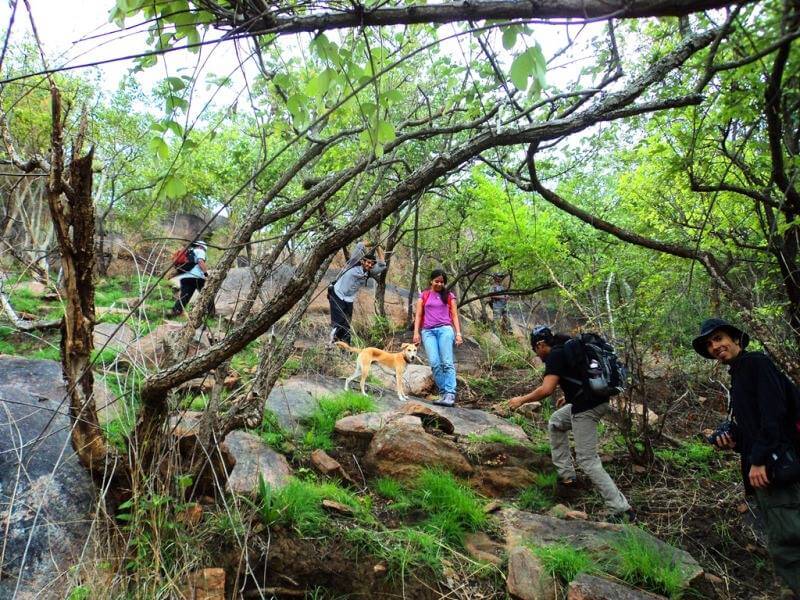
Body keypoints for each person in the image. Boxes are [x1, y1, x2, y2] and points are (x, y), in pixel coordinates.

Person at [692, 318, 800, 597]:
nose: (715, 346)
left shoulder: (756, 364)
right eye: (709, 344)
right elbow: (756, 426)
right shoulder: (739, 373)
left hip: (776, 469)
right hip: (771, 466)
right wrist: (733, 440)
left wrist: (759, 459)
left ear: (736, 339)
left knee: (788, 542)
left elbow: (774, 415)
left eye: (719, 338)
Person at [508, 325, 634, 521]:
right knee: (556, 422)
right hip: (592, 401)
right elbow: (580, 375)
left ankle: (621, 510)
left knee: (587, 460)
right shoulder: (566, 347)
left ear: (540, 344)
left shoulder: (555, 356)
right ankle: (567, 476)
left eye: (535, 350)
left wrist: (521, 400)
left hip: (586, 408)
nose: (537, 355)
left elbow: (546, 389)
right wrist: (569, 396)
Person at [413, 269, 463, 407]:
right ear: (431, 281)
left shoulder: (449, 296)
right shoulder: (424, 295)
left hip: (445, 330)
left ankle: (450, 393)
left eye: (442, 282)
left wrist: (458, 333)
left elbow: (454, 315)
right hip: (428, 332)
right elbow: (418, 315)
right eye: (437, 281)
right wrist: (416, 333)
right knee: (435, 363)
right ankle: (443, 393)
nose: (439, 284)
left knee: (447, 362)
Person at [328, 241, 386, 345]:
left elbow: (382, 265)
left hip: (349, 299)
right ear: (363, 261)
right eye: (368, 262)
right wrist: (373, 243)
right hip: (337, 294)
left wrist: (378, 248)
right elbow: (360, 245)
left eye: (372, 264)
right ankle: (332, 342)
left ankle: (345, 347)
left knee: (346, 325)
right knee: (339, 323)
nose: (369, 265)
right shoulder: (353, 263)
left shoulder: (370, 272)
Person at [168, 240, 209, 317]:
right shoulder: (200, 251)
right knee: (207, 294)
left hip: (185, 278)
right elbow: (200, 261)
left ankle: (175, 311)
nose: (204, 250)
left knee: (184, 296)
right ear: (201, 247)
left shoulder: (189, 252)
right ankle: (210, 314)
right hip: (197, 277)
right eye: (204, 249)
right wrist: (206, 274)